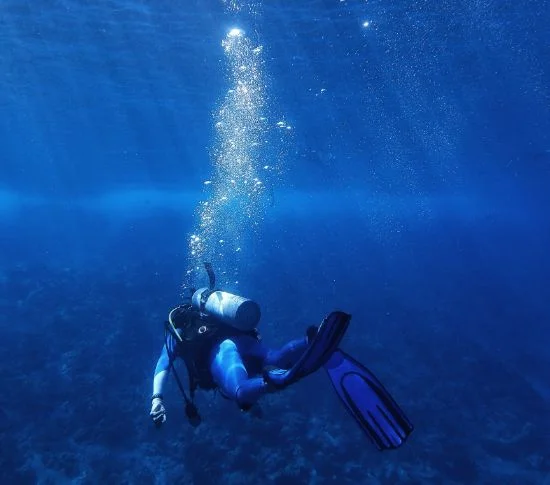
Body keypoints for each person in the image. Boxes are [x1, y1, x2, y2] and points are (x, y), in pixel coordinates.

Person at [149, 266, 414, 451]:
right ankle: (309, 341)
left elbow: (163, 365)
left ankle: (278, 379)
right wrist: (253, 409)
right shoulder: (213, 314)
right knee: (275, 355)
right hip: (239, 337)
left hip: (221, 350)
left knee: (238, 390)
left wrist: (156, 399)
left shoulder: (178, 327)